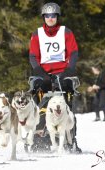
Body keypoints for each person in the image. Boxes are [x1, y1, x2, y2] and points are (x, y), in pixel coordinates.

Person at [28, 2, 81, 153]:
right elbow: (33, 56)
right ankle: (40, 134)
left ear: (57, 17)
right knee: (41, 96)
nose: (50, 19)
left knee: (66, 97)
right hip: (43, 72)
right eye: (47, 16)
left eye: (53, 16)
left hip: (63, 72)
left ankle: (70, 137)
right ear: (43, 17)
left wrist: (69, 70)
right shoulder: (37, 34)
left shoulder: (66, 32)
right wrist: (39, 71)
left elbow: (74, 53)